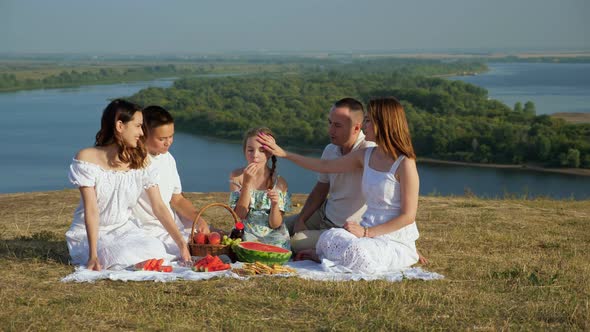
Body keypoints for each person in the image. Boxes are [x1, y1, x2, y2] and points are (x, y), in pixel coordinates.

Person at [258, 97, 421, 273]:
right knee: (327, 237)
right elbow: (325, 167)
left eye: (368, 121)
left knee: (352, 250)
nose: (364, 125)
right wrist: (285, 154)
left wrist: (368, 233)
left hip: (377, 233)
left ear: (384, 124)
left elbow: (408, 216)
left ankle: (320, 254)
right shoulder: (366, 155)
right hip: (359, 228)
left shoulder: (405, 163)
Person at [66, 99, 191, 271]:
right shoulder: (86, 159)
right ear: (120, 126)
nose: (141, 133)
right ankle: (101, 253)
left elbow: (159, 206)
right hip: (92, 233)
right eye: (138, 126)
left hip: (125, 229)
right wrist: (93, 255)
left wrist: (181, 244)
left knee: (156, 250)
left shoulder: (141, 161)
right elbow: (92, 210)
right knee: (122, 256)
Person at [286, 98, 376, 253]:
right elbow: (320, 189)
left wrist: (399, 242)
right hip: (324, 214)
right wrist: (302, 219)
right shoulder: (330, 149)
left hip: (345, 229)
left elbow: (390, 198)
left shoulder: (368, 151)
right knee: (277, 227)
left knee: (294, 242)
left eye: (337, 125)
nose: (331, 130)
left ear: (356, 128)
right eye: (330, 123)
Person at [132, 105, 209, 257]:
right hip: (146, 227)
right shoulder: (135, 162)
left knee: (206, 238)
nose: (168, 142)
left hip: (170, 223)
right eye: (162, 139)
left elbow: (177, 199)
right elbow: (158, 207)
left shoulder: (168, 158)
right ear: (143, 134)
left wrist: (199, 219)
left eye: (171, 136)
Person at [228, 127, 291, 250]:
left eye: (261, 150)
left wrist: (274, 205)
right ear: (244, 151)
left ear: (270, 152)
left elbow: (275, 224)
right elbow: (240, 215)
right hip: (246, 234)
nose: (255, 155)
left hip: (273, 237)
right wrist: (246, 184)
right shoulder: (237, 176)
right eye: (250, 150)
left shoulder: (280, 183)